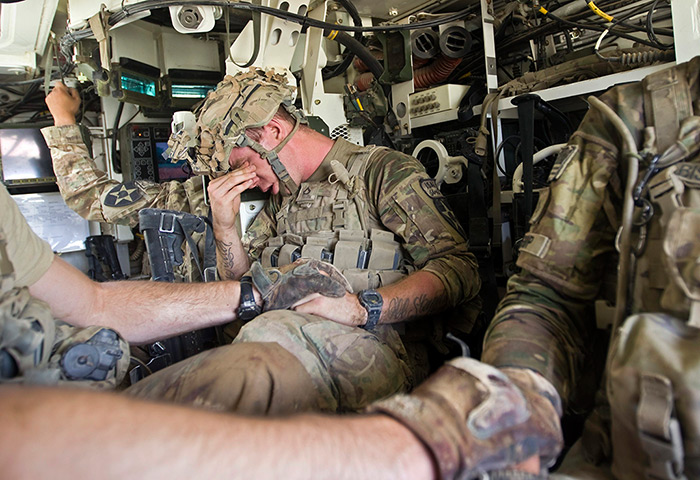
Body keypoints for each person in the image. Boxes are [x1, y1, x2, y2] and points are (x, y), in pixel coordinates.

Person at [43, 68, 482, 413]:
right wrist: (225, 227)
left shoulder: (381, 172)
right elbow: (241, 286)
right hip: (277, 348)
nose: (243, 178)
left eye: (243, 161)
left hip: (374, 349)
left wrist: (364, 308)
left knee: (259, 352)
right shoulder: (280, 198)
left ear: (271, 132)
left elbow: (458, 268)